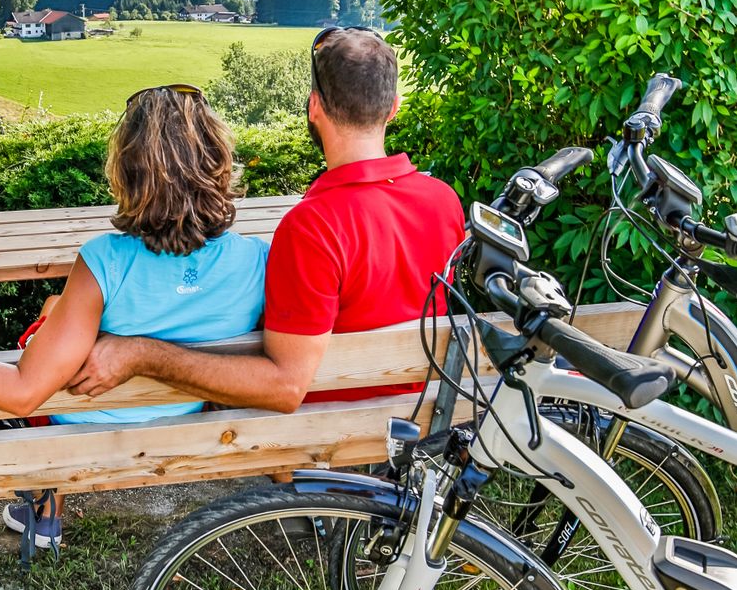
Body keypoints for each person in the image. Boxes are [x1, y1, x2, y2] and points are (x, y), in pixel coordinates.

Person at [0, 84, 267, 553]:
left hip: (76, 435)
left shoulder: (104, 261)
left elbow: (21, 393)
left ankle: (46, 507)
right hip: (187, 422)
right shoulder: (257, 260)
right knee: (55, 320)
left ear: (128, 172)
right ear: (217, 160)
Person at [68, 27, 465, 413]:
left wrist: (142, 353)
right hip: (420, 417)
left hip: (327, 432)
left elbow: (285, 387)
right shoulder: (444, 200)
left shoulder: (313, 227)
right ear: (393, 106)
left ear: (314, 107)